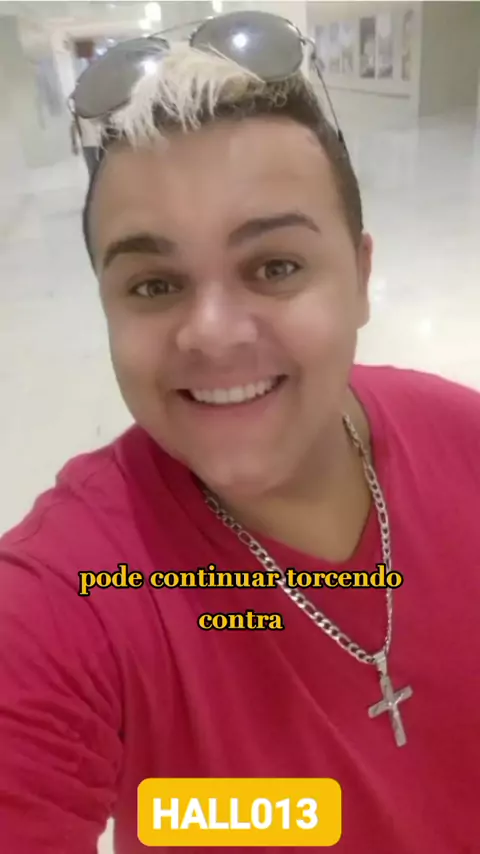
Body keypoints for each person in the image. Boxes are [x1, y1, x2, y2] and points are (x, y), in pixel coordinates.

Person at [1, 10, 479, 854]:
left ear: (361, 277)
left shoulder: (462, 439)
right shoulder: (67, 596)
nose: (212, 334)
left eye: (275, 266)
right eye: (154, 285)